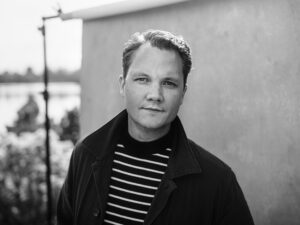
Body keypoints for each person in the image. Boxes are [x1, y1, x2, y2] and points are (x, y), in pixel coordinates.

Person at [57, 29, 254, 225]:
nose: (155, 95)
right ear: (122, 85)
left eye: (168, 83)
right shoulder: (85, 155)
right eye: (142, 79)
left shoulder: (218, 181)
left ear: (183, 93)